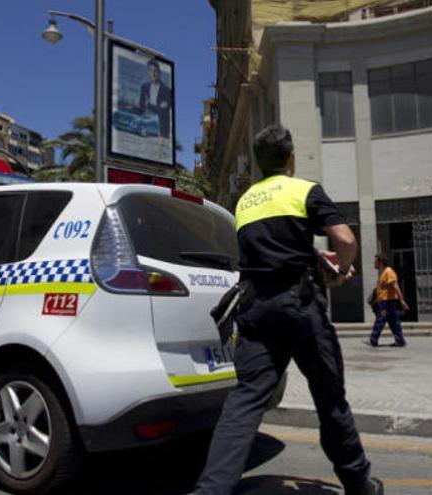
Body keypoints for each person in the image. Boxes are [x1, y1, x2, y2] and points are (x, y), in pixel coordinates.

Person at [193, 125, 383, 495]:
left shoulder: (245, 202)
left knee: (245, 401)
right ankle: (359, 483)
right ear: (291, 158)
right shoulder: (303, 190)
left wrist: (314, 259)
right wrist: (340, 271)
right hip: (299, 307)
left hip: (255, 310)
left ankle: (210, 490)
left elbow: (271, 247)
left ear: (259, 164)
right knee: (330, 399)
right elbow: (344, 238)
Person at [368, 254, 409, 348]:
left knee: (380, 320)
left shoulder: (389, 272)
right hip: (384, 302)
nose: (374, 264)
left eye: (375, 262)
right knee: (394, 322)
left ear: (380, 262)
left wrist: (402, 300)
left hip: (387, 302)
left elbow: (396, 286)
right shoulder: (382, 272)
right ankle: (400, 341)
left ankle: (373, 339)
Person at [139, 58, 172, 137]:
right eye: (150, 70)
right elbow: (141, 106)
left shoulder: (167, 91)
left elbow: (165, 111)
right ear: (148, 72)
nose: (153, 73)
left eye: (155, 71)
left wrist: (150, 105)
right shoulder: (144, 87)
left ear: (160, 73)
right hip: (145, 127)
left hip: (161, 130)